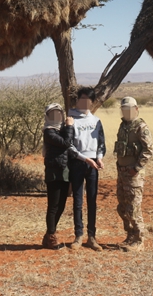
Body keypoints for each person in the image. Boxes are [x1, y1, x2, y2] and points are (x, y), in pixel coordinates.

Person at [42, 103, 98, 249]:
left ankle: (49, 234)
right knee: (53, 206)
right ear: (47, 116)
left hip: (66, 172)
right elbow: (67, 143)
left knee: (61, 205)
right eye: (53, 113)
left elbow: (71, 150)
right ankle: (52, 237)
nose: (56, 116)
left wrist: (87, 160)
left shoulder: (60, 130)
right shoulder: (49, 131)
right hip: (54, 172)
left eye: (58, 113)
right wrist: (70, 126)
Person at [67, 87, 106, 251]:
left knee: (92, 200)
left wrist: (99, 158)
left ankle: (92, 237)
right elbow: (68, 145)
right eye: (82, 100)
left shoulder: (96, 121)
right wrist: (85, 159)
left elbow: (102, 143)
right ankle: (78, 236)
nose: (85, 103)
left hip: (93, 165)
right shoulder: (70, 119)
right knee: (78, 200)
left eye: (88, 101)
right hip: (77, 162)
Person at [114, 96, 153, 251]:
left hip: (134, 174)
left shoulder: (141, 127)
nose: (127, 112)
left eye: (130, 109)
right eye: (124, 110)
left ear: (136, 109)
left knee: (133, 208)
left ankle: (139, 240)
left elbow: (148, 150)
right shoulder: (123, 126)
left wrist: (136, 168)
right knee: (122, 207)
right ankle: (130, 235)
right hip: (122, 173)